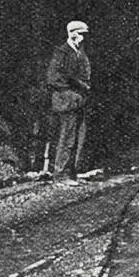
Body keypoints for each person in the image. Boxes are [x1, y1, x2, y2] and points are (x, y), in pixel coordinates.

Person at [46, 19, 91, 183]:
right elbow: (53, 78)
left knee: (76, 139)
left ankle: (71, 173)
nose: (83, 38)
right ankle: (60, 175)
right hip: (66, 101)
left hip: (78, 102)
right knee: (67, 139)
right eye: (81, 34)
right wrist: (76, 86)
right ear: (72, 34)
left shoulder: (80, 52)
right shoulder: (62, 52)